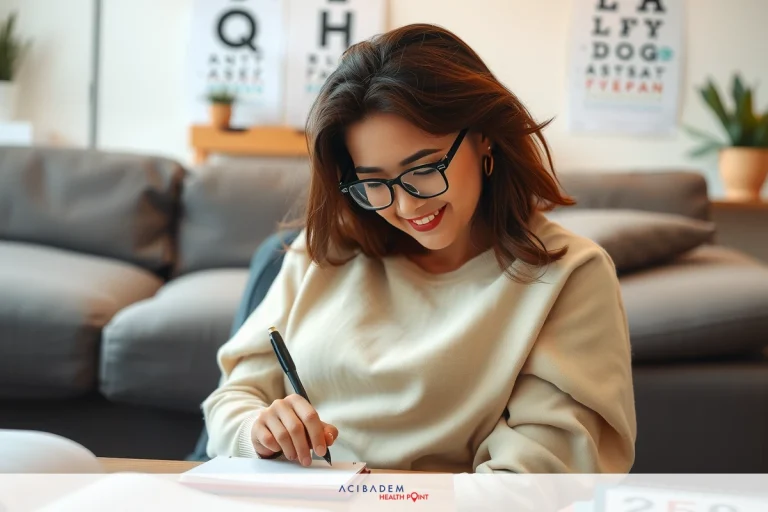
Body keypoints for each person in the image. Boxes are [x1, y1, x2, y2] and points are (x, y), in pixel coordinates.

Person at [202, 23, 636, 474]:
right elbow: (231, 401)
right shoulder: (324, 253)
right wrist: (259, 431)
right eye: (373, 182)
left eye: (425, 168)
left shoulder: (570, 275)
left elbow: (538, 476)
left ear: (484, 135)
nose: (408, 205)